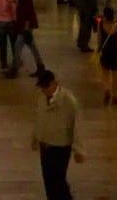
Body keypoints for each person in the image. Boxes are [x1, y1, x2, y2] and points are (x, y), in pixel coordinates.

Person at [31, 69, 85, 200]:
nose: (44, 90)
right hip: (45, 145)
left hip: (60, 146)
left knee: (58, 180)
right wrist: (35, 138)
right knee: (48, 179)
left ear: (54, 83)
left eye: (46, 86)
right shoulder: (41, 96)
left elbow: (76, 125)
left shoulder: (68, 100)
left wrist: (78, 149)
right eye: (42, 87)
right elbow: (39, 117)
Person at [98, 6, 117, 106]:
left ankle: (107, 90)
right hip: (115, 51)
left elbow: (99, 41)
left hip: (105, 52)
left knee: (105, 75)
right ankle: (115, 97)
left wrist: (98, 51)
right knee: (115, 76)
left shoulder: (100, 24)